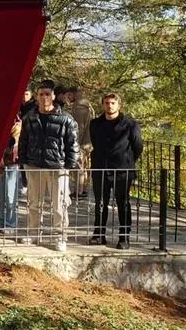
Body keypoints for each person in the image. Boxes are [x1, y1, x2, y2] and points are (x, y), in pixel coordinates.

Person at [18, 79, 79, 251]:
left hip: (57, 167)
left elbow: (72, 144)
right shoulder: (30, 117)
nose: (44, 97)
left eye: (47, 94)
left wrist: (69, 165)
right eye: (41, 94)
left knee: (59, 204)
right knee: (34, 202)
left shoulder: (66, 119)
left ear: (53, 96)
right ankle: (33, 233)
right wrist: (24, 162)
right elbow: (24, 141)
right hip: (34, 165)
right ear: (37, 96)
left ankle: (60, 236)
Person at [89, 93, 142, 249]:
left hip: (122, 171)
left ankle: (124, 237)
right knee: (100, 203)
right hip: (101, 169)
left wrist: (127, 160)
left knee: (123, 203)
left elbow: (138, 146)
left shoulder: (131, 125)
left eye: (112, 103)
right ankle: (99, 235)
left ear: (119, 105)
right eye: (106, 103)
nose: (109, 106)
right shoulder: (95, 124)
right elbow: (95, 142)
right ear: (102, 105)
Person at [65, 87, 95, 199]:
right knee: (82, 166)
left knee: (79, 166)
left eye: (69, 95)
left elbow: (79, 128)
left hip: (81, 142)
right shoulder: (86, 105)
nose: (68, 98)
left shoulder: (79, 107)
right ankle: (81, 190)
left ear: (75, 94)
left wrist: (75, 142)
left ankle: (79, 191)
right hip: (87, 141)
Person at [0, 116, 23, 229]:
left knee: (10, 194)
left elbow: (15, 143)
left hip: (11, 162)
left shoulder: (18, 124)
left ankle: (10, 223)